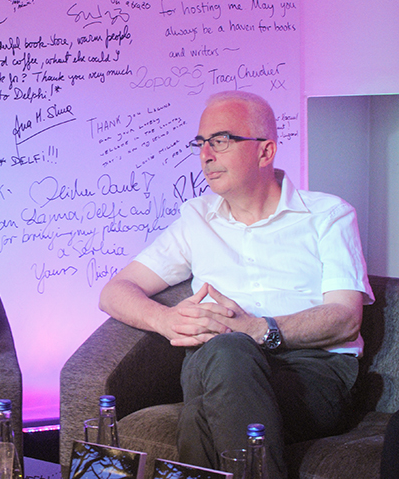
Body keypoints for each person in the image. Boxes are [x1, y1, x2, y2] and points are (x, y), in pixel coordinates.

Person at [99, 91, 373, 479]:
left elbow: (345, 318)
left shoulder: (328, 215)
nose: (205, 154)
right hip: (215, 363)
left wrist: (258, 329)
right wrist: (166, 320)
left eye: (221, 140)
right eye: (201, 143)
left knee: (200, 415)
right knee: (227, 352)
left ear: (265, 151)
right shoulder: (195, 219)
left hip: (311, 372)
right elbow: (114, 291)